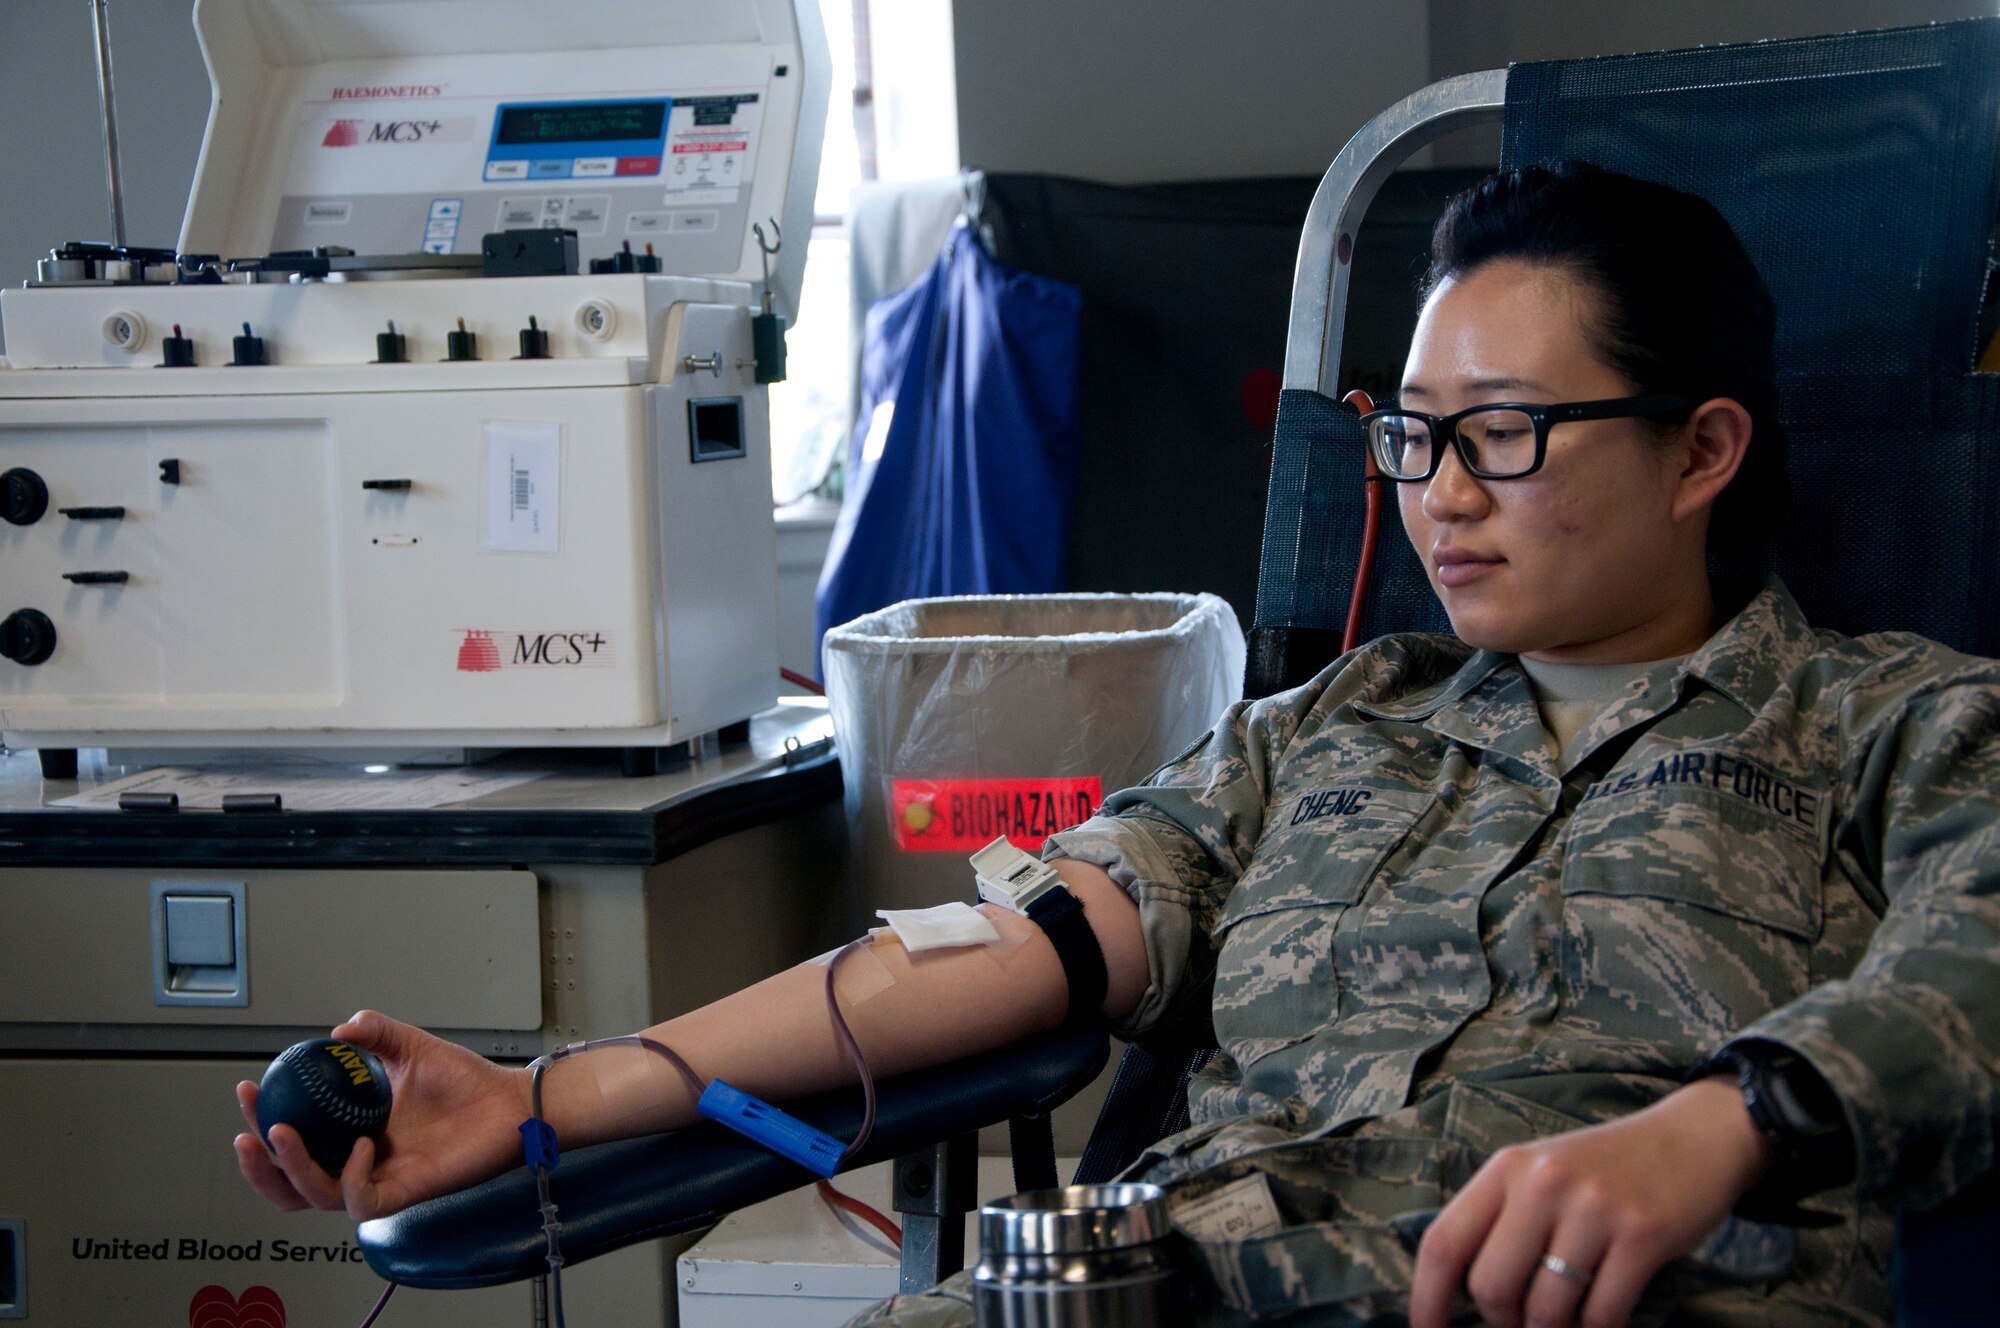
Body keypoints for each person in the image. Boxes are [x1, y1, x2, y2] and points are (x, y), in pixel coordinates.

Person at [235, 164, 2000, 1328]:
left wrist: (1727, 1123)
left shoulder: (1898, 724)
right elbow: (997, 955)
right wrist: (547, 1096)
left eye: (1511, 436)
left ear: (1700, 453)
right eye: (1415, 439)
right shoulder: (1330, 733)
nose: (1442, 500)